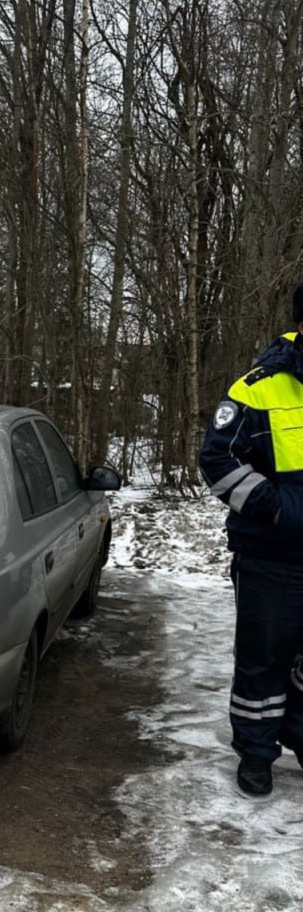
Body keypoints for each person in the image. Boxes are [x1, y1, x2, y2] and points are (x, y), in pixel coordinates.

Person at [199, 284, 303, 799]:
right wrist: (280, 507)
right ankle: (258, 754)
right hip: (272, 555)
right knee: (264, 655)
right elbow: (218, 463)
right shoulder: (258, 388)